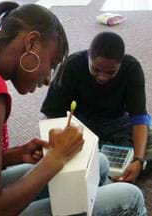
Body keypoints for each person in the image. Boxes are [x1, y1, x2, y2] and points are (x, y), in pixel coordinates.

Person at [0, 2, 145, 215]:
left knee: (101, 161)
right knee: (132, 196)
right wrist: (55, 159)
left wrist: (11, 155)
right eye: (52, 64)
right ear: (31, 43)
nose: (49, 79)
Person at [41, 32, 149, 183]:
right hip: (81, 127)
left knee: (144, 147)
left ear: (121, 63)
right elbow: (53, 115)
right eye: (96, 69)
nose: (102, 77)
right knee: (53, 155)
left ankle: (110, 165)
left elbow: (139, 118)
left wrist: (138, 159)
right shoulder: (71, 65)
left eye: (111, 72)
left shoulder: (132, 68)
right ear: (88, 55)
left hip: (117, 123)